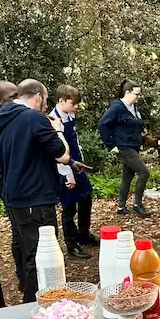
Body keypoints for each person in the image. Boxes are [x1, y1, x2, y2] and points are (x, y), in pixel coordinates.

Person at [0, 79, 70, 302]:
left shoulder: (2, 121)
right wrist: (58, 131)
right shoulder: (34, 118)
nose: (46, 106)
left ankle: (34, 301)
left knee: (30, 255)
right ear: (38, 97)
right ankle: (38, 305)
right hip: (36, 199)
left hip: (15, 199)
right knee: (43, 257)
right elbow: (62, 155)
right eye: (46, 101)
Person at [49, 85, 96, 260]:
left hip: (77, 165)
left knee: (86, 198)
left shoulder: (70, 115)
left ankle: (84, 234)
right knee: (69, 207)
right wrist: (68, 175)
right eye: (73, 103)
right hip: (64, 169)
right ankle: (72, 244)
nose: (76, 107)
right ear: (61, 101)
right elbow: (58, 152)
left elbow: (75, 141)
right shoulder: (54, 120)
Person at [98, 79, 150, 217]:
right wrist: (111, 145)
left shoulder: (133, 107)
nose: (139, 97)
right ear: (127, 92)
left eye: (140, 95)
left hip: (133, 146)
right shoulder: (117, 107)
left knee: (127, 177)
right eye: (136, 94)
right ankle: (138, 205)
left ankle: (121, 207)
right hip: (124, 148)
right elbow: (103, 124)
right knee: (144, 172)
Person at [0, 81, 23, 291]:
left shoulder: (14, 118)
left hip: (16, 182)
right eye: (14, 96)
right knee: (18, 230)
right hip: (6, 183)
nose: (18, 100)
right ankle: (23, 276)